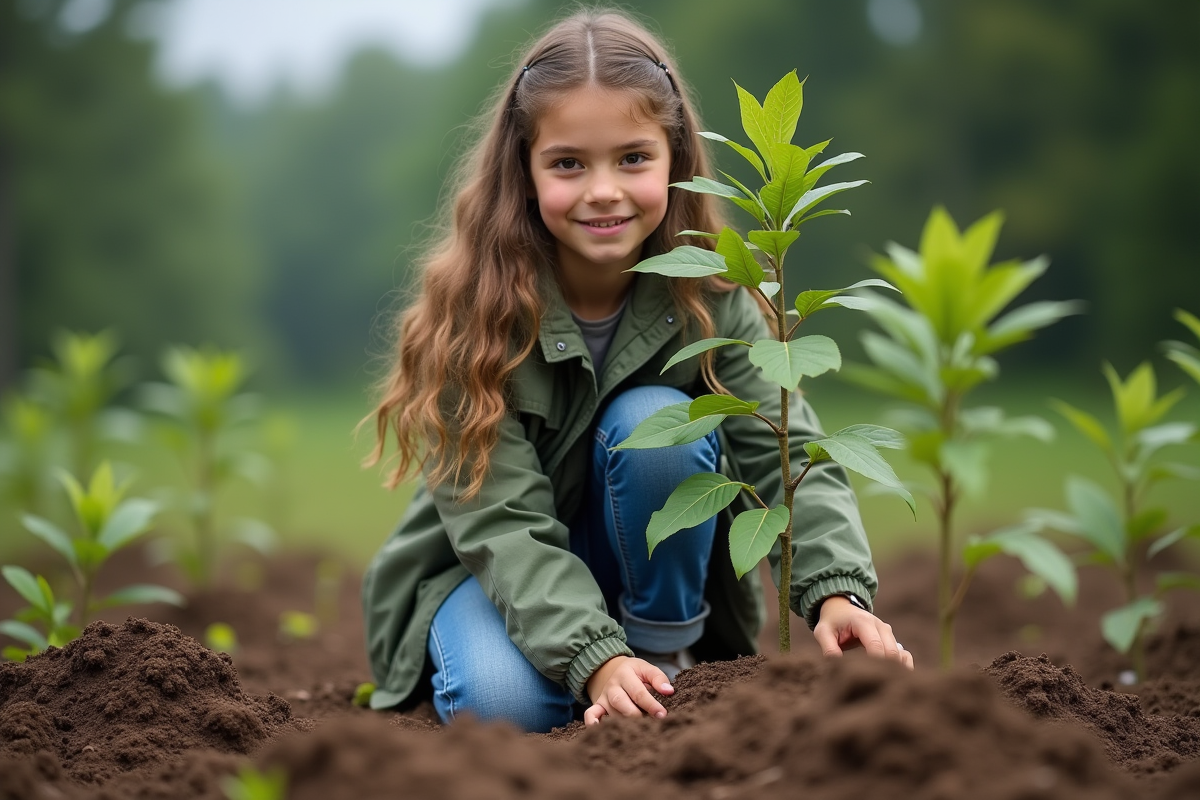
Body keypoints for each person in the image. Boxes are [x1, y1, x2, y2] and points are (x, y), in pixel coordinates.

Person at [361, 8, 913, 735]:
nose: (602, 191)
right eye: (567, 163)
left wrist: (836, 593)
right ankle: (577, 677)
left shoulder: (716, 295)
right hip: (492, 574)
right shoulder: (475, 318)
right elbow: (503, 526)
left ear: (675, 159)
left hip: (648, 581)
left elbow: (785, 455)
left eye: (632, 158)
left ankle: (663, 665)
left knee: (658, 422)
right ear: (523, 173)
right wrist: (593, 654)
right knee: (506, 708)